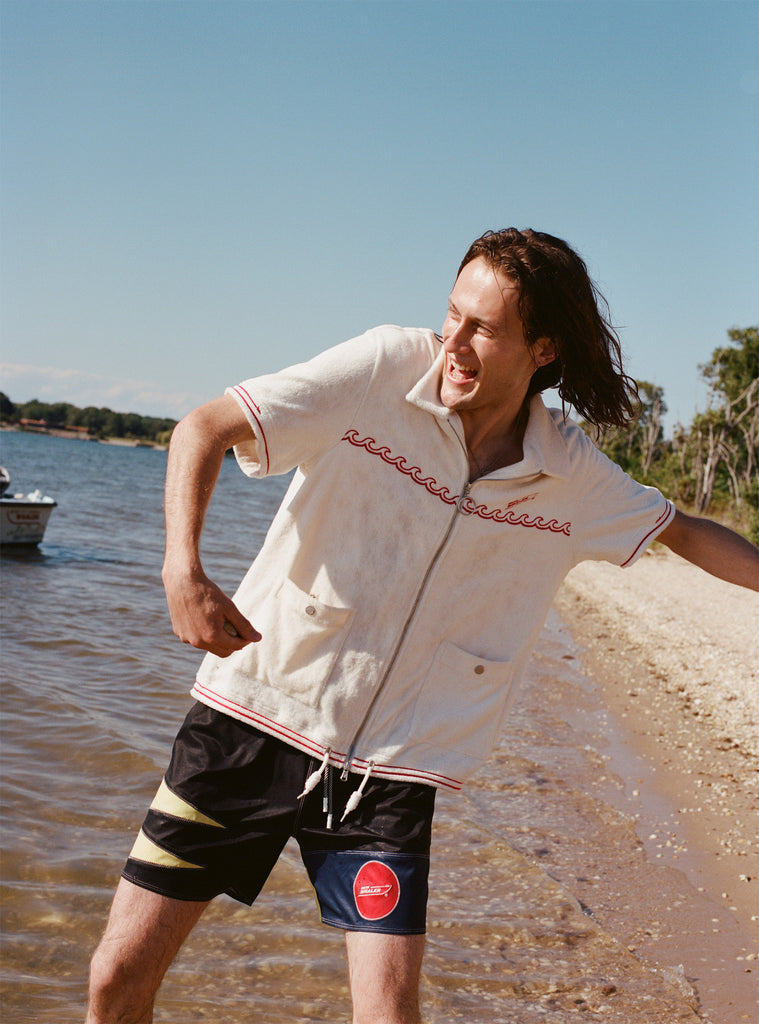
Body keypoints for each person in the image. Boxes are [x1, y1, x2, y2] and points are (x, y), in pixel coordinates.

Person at [86, 228, 759, 1024]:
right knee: (116, 978)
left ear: (541, 349)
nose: (455, 343)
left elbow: (681, 528)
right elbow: (204, 426)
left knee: (388, 1013)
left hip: (390, 775)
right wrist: (182, 569)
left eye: (483, 329)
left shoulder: (568, 474)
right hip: (250, 725)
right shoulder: (378, 371)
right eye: (451, 316)